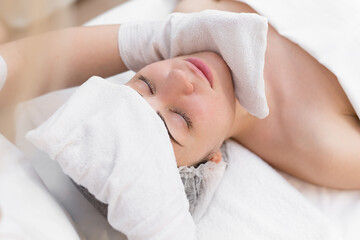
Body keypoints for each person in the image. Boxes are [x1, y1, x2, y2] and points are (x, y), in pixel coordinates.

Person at [0, 0, 359, 191]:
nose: (178, 80)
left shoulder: (188, 21)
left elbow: (22, 63)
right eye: (179, 120)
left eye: (145, 85)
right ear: (212, 160)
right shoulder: (316, 142)